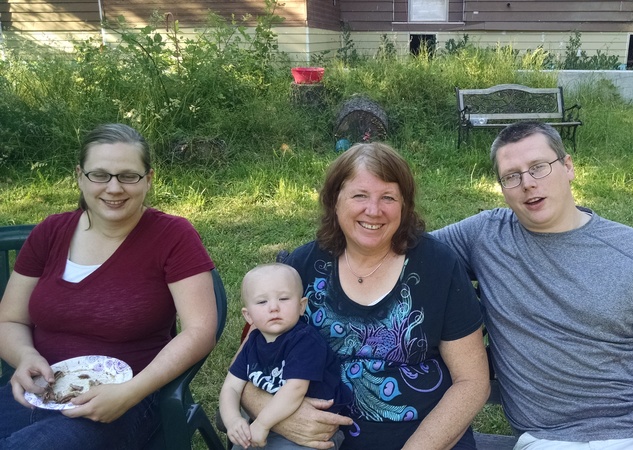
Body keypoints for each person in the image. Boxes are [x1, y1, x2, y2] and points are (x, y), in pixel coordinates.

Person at [432, 121, 633, 450]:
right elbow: (401, 249)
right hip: (550, 440)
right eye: (512, 176)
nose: (527, 184)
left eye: (539, 168)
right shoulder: (484, 236)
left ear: (568, 167)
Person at [239, 142, 490, 450]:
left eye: (388, 197)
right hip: (315, 440)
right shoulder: (302, 268)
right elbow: (248, 360)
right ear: (334, 200)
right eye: (359, 195)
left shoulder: (438, 267)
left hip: (425, 439)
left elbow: (472, 382)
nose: (374, 210)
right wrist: (276, 415)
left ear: (405, 206)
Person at [0, 123, 217, 449]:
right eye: (99, 174)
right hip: (43, 389)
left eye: (128, 175)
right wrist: (24, 355)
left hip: (130, 398)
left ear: (148, 179)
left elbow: (200, 330)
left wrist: (130, 393)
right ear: (80, 176)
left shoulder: (173, 236)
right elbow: (9, 320)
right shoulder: (51, 232)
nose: (114, 188)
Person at [220, 263, 351, 450]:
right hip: (265, 425)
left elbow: (295, 389)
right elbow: (231, 386)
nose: (273, 307)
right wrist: (233, 420)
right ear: (248, 316)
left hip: (307, 435)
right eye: (262, 302)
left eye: (283, 298)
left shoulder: (305, 341)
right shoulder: (252, 344)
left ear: (301, 306)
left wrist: (262, 424)